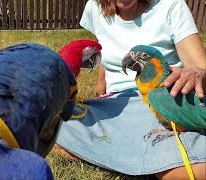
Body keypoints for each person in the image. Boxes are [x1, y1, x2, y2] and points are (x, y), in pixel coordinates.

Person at [54, 0, 206, 179]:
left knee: (172, 167)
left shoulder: (171, 5)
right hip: (116, 103)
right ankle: (136, 155)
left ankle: (142, 155)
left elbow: (200, 68)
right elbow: (105, 48)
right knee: (55, 123)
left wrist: (197, 72)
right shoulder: (94, 8)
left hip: (160, 98)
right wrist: (100, 90)